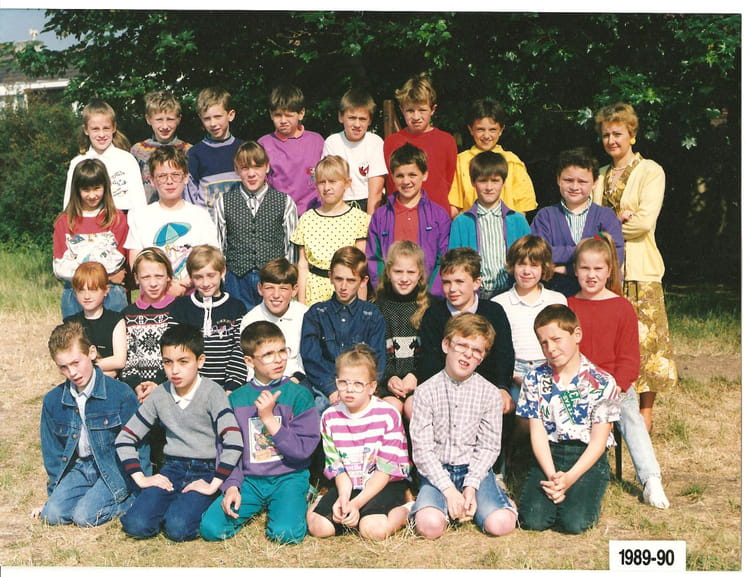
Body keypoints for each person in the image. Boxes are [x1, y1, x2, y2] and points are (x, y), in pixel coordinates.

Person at [567, 233, 670, 509]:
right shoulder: (568, 306)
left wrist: (616, 386)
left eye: (598, 268)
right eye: (585, 268)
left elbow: (628, 358)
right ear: (575, 270)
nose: (591, 275)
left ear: (609, 271)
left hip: (615, 384)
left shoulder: (621, 307)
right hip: (579, 383)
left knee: (631, 414)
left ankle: (650, 479)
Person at [592, 102, 678, 433]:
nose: (611, 140)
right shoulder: (599, 174)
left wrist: (607, 226)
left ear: (632, 135)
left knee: (645, 341)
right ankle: (610, 407)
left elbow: (643, 223)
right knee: (609, 340)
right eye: (606, 135)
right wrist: (614, 222)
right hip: (606, 270)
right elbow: (590, 222)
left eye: (618, 133)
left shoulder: (650, 171)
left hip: (640, 268)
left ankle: (645, 413)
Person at [116, 324, 243, 541]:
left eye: (183, 362)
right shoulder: (160, 394)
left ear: (200, 361)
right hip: (173, 468)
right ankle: (167, 506)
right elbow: (125, 438)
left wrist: (214, 484)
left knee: (178, 529)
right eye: (168, 362)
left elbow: (234, 440)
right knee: (136, 525)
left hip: (206, 469)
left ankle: (197, 505)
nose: (174, 370)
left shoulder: (213, 392)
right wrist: (142, 479)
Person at [201, 321, 320, 543]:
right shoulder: (236, 400)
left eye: (282, 351)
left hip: (289, 476)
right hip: (251, 481)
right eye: (268, 355)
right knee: (212, 528)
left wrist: (268, 419)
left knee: (286, 534)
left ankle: (302, 495)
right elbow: (228, 448)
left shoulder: (299, 395)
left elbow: (303, 451)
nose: (278, 359)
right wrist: (232, 486)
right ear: (249, 361)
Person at [410, 313, 517, 539]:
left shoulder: (489, 393)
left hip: (474, 470)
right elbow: (422, 450)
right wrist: (449, 491)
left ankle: (495, 498)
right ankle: (432, 504)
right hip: (437, 471)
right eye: (462, 345)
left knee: (501, 524)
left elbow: (488, 446)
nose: (468, 354)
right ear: (446, 345)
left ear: (482, 357)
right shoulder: (425, 392)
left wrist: (471, 486)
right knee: (429, 527)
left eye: (477, 350)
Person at [516, 304, 620, 534]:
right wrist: (553, 476)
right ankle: (553, 491)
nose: (551, 348)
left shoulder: (603, 382)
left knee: (574, 523)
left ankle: (582, 490)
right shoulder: (534, 379)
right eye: (544, 343)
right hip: (549, 454)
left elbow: (598, 442)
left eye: (557, 339)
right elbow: (538, 433)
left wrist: (569, 479)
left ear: (577, 335)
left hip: (585, 455)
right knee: (533, 520)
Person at [33, 321, 142, 527]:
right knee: (52, 515)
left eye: (76, 363)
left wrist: (141, 486)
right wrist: (54, 495)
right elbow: (53, 453)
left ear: (91, 353)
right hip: (81, 467)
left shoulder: (120, 393)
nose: (72, 372)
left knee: (84, 517)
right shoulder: (53, 400)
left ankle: (128, 500)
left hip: (114, 466)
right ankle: (86, 499)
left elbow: (139, 443)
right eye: (63, 367)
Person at [307, 344, 412, 540]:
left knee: (372, 530)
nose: (349, 390)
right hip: (349, 483)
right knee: (320, 528)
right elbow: (337, 467)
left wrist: (356, 504)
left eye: (357, 384)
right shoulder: (330, 417)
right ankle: (319, 503)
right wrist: (344, 499)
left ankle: (406, 509)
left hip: (383, 483)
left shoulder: (388, 415)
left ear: (371, 387)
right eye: (343, 383)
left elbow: (384, 471)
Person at [415, 248, 515, 415]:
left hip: (486, 389)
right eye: (446, 282)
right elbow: (429, 360)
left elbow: (504, 355)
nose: (452, 289)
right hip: (444, 390)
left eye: (459, 281)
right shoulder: (434, 314)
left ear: (476, 282)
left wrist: (502, 387)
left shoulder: (494, 312)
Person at [300, 245, 386, 414]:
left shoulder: (372, 315)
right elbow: (311, 358)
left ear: (363, 281)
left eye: (351, 280)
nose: (343, 286)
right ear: (330, 277)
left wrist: (360, 390)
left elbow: (378, 359)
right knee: (318, 408)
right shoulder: (316, 314)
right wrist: (332, 389)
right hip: (325, 388)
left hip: (362, 389)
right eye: (339, 279)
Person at [124, 145, 220, 297]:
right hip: (155, 298)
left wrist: (185, 284)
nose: (169, 181)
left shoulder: (200, 216)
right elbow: (135, 259)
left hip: (193, 295)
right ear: (152, 180)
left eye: (175, 175)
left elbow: (211, 257)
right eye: (162, 176)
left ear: (186, 177)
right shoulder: (141, 216)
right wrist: (164, 285)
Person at [215, 140, 298, 309]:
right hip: (237, 280)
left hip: (273, 281)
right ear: (237, 170)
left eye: (257, 167)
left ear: (267, 167)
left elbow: (291, 247)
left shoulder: (284, 202)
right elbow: (219, 246)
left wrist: (286, 280)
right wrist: (223, 279)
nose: (251, 174)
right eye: (245, 168)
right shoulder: (224, 202)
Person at [530, 147, 624, 296]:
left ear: (594, 183)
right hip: (555, 296)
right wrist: (585, 251)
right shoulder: (545, 217)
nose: (574, 187)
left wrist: (565, 269)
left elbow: (614, 257)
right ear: (558, 179)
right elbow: (539, 255)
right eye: (568, 180)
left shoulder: (606, 216)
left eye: (582, 181)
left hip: (597, 297)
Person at [367, 142, 451, 298]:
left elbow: (443, 259)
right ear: (392, 177)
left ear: (424, 175)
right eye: (400, 176)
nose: (406, 181)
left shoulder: (439, 216)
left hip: (428, 297)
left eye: (412, 175)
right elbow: (374, 258)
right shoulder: (380, 216)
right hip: (390, 297)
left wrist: (431, 295)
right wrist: (383, 290)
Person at [491, 235, 566, 402]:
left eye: (534, 265)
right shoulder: (499, 303)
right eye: (521, 264)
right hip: (513, 372)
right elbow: (497, 350)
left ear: (544, 268)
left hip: (550, 369)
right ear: (512, 266)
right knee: (519, 412)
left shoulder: (557, 300)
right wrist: (515, 377)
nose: (527, 271)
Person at [448, 150, 531, 299]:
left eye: (495, 180)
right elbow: (453, 264)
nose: (489, 187)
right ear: (473, 182)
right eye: (483, 180)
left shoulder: (518, 220)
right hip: (475, 297)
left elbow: (528, 259)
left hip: (511, 294)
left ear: (503, 182)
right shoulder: (461, 222)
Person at [54, 158, 129, 318]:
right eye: (86, 190)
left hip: (110, 292)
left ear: (105, 187)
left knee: (113, 331)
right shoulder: (64, 221)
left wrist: (81, 266)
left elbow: (116, 262)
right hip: (75, 292)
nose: (92, 195)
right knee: (75, 333)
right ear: (77, 190)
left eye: (97, 188)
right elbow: (60, 267)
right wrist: (104, 276)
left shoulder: (117, 219)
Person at [291, 155, 370, 306]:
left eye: (333, 181)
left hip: (345, 292)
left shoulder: (360, 219)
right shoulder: (307, 218)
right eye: (322, 182)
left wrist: (360, 307)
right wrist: (301, 304)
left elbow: (360, 268)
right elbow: (303, 265)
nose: (327, 188)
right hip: (313, 293)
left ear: (347, 183)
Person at [170, 245, 247, 392]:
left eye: (211, 275)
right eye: (198, 277)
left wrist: (232, 386)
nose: (205, 283)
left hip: (226, 387)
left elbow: (238, 350)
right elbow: (174, 349)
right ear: (190, 276)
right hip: (189, 386)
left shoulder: (236, 307)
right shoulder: (180, 307)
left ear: (222, 272)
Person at [373, 241, 435, 417]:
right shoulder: (378, 308)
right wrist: (389, 378)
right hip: (388, 383)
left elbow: (432, 353)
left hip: (421, 380)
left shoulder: (430, 308)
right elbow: (376, 352)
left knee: (413, 407)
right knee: (390, 408)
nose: (404, 278)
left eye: (411, 272)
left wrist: (415, 376)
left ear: (420, 274)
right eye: (398, 272)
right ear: (388, 272)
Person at [448, 97, 537, 217]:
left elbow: (522, 208)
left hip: (506, 227)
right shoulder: (460, 162)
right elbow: (454, 207)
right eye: (480, 129)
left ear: (501, 130)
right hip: (471, 226)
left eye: (492, 130)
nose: (486, 135)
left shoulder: (513, 162)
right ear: (470, 129)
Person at [382, 73, 457, 215]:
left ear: (433, 109)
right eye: (410, 110)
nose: (416, 117)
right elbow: (391, 183)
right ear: (402, 109)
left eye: (422, 110)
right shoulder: (391, 142)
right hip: (401, 214)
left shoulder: (447, 141)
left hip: (437, 216)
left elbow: (450, 182)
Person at [62, 100, 146, 213]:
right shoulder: (78, 162)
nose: (101, 135)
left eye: (106, 128)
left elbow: (139, 203)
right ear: (86, 130)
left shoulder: (127, 160)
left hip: (123, 221)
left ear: (114, 128)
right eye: (95, 129)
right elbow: (69, 204)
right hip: (89, 222)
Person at [259, 83, 325, 215]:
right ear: (271, 114)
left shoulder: (317, 141)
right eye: (278, 115)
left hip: (315, 213)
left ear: (301, 113)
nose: (283, 120)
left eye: (289, 115)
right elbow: (259, 184)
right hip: (278, 214)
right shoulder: (264, 144)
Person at [239, 257, 308, 383]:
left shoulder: (305, 315)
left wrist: (295, 379)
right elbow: (249, 364)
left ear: (294, 290)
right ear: (260, 289)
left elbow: (308, 356)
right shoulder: (251, 320)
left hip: (298, 379)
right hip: (263, 382)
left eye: (283, 288)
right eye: (270, 288)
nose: (276, 295)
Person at [119, 247, 176, 398]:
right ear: (136, 278)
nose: (153, 283)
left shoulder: (179, 310)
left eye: (159, 276)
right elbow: (128, 356)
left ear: (168, 276)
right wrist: (136, 385)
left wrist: (158, 383)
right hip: (137, 391)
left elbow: (179, 353)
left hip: (171, 387)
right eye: (145, 277)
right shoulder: (128, 314)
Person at [322, 88, 387, 214]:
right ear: (341, 117)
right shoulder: (332, 142)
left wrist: (370, 222)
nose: (357, 124)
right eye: (352, 118)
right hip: (340, 203)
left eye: (362, 119)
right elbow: (329, 183)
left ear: (369, 120)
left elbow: (376, 191)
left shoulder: (375, 142)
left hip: (369, 202)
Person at [184, 87, 243, 219]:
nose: (213, 123)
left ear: (230, 115)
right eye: (207, 118)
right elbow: (190, 197)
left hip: (240, 224)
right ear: (200, 119)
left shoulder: (243, 150)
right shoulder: (194, 154)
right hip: (208, 225)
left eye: (218, 117)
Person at [64, 262, 127, 378]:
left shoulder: (116, 320)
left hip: (112, 381)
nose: (87, 296)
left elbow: (119, 360)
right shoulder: (70, 323)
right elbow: (67, 361)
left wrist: (84, 366)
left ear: (106, 290)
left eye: (93, 290)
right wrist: (99, 369)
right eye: (81, 290)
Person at [130, 90, 192, 204]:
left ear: (178, 119)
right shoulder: (138, 151)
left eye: (170, 119)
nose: (164, 126)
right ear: (148, 119)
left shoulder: (188, 150)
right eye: (159, 120)